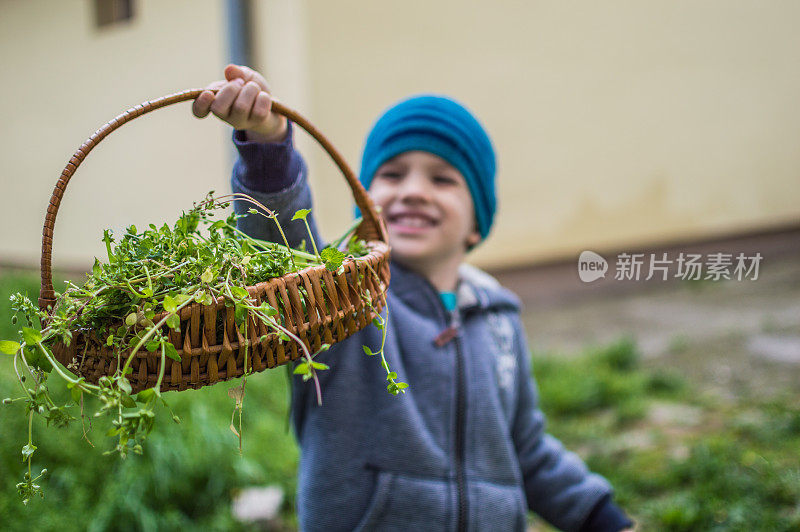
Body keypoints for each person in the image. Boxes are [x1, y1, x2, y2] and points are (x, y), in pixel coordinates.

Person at [193, 64, 635, 532]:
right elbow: (281, 251)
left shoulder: (500, 317)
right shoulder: (343, 299)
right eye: (392, 174)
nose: (413, 191)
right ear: (364, 204)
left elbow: (526, 448)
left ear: (477, 222)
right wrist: (268, 146)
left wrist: (601, 517)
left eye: (443, 179)